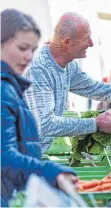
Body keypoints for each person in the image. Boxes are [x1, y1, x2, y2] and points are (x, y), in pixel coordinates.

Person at [24, 12, 111, 153]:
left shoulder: (68, 65)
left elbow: (95, 89)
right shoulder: (39, 68)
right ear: (67, 42)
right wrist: (96, 123)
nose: (91, 44)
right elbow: (45, 124)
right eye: (86, 39)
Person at [1, 9, 77, 206]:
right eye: (22, 48)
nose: (28, 57)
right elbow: (4, 157)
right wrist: (51, 172)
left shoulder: (9, 86)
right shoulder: (2, 89)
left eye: (32, 50)